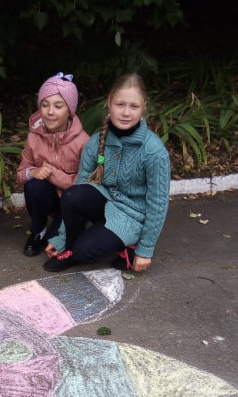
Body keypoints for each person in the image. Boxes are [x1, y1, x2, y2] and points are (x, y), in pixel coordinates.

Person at [43, 73, 171, 273]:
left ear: (143, 107)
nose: (126, 112)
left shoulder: (153, 151)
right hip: (106, 202)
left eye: (134, 106)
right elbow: (81, 185)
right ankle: (69, 246)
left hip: (132, 216)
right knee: (72, 195)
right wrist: (60, 239)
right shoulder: (96, 141)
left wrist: (145, 250)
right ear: (109, 102)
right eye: (120, 104)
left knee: (84, 253)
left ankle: (131, 245)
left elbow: (158, 204)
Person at [16, 72, 90, 256]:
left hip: (71, 200)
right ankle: (38, 229)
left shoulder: (83, 141)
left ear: (70, 110)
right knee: (33, 186)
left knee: (58, 241)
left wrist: (53, 174)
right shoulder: (34, 137)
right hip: (49, 197)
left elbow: (88, 183)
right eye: (45, 105)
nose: (50, 112)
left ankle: (66, 225)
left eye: (58, 106)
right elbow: (20, 173)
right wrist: (32, 172)